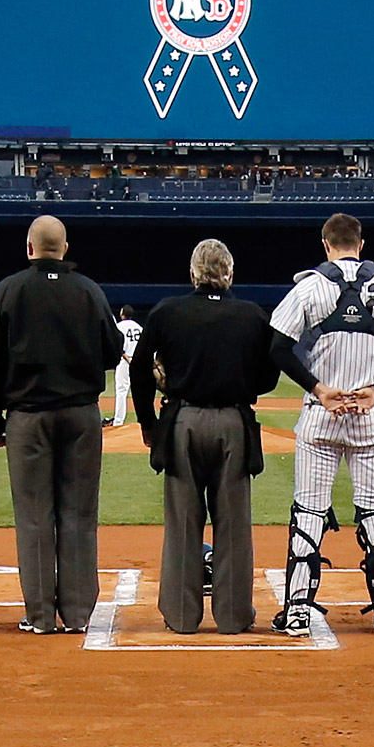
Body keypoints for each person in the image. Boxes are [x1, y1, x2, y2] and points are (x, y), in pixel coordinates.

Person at [267, 213, 374, 636]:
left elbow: (278, 347)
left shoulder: (310, 287)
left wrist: (319, 388)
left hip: (321, 415)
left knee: (309, 511)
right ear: (361, 243)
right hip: (368, 418)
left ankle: (298, 609)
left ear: (326, 244)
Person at [0, 215, 122, 635]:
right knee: (78, 513)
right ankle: (77, 615)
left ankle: (39, 616)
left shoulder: (9, 290)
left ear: (29, 248)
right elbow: (113, 351)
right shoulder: (89, 290)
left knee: (35, 516)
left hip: (27, 417)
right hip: (80, 414)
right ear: (65, 248)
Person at [129, 239, 278, 634]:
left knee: (182, 523)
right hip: (234, 422)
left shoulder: (167, 311)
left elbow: (139, 367)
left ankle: (180, 616)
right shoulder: (251, 315)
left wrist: (148, 423)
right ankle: (232, 616)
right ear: (229, 274)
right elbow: (270, 374)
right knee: (234, 525)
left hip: (183, 421)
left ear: (193, 273)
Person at [111, 306, 143, 427]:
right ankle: (144, 420)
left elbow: (118, 347)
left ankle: (118, 422)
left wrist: (128, 360)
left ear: (122, 313)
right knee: (141, 392)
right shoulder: (138, 327)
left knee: (121, 391)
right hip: (138, 361)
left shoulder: (119, 327)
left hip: (126, 362)